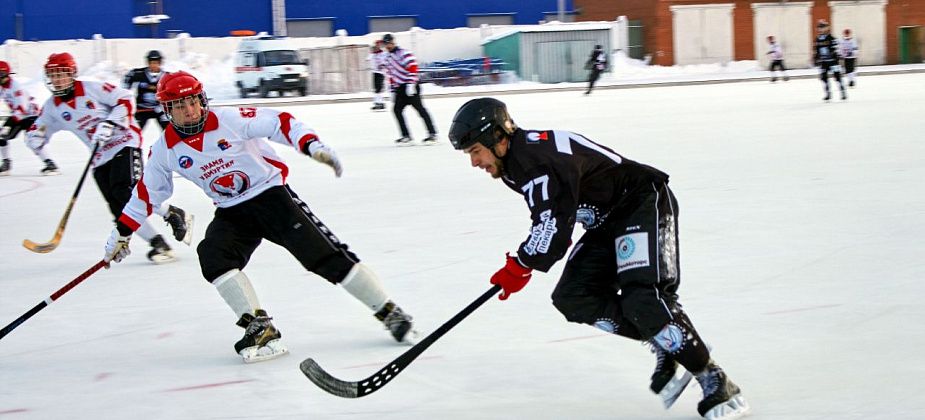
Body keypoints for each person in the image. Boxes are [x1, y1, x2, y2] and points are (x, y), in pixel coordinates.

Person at [448, 98, 750, 419]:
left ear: (498, 137)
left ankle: (714, 378)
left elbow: (552, 230)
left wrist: (520, 265)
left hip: (640, 202)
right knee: (574, 297)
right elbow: (551, 219)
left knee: (642, 299)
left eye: (475, 151)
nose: (474, 162)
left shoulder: (536, 162)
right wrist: (523, 263)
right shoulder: (515, 164)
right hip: (607, 221)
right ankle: (664, 339)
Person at [103, 70, 418, 363]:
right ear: (166, 111)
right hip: (231, 212)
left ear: (202, 100)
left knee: (324, 258)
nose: (189, 110)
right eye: (178, 105)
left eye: (192, 101)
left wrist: (312, 146)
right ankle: (259, 327)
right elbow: (147, 194)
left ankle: (390, 313)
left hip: (272, 198)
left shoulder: (228, 119)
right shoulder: (164, 149)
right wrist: (122, 233)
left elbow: (280, 122)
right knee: (213, 254)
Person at [25, 52, 185, 262]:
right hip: (99, 155)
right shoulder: (52, 107)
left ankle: (170, 212)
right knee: (118, 208)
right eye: (53, 75)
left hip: (124, 141)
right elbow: (40, 128)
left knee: (125, 190)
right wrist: (34, 137)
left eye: (61, 74)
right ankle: (158, 244)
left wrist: (110, 123)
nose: (57, 80)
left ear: (71, 74)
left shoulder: (92, 89)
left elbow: (125, 99)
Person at [381, 33, 437, 145]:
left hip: (410, 86)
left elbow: (413, 68)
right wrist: (392, 90)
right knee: (397, 110)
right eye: (386, 44)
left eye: (389, 43)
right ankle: (406, 136)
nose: (388, 46)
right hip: (400, 88)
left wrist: (411, 84)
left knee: (420, 109)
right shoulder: (387, 57)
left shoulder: (404, 53)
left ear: (393, 42)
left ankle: (432, 134)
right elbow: (390, 74)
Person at [0, 60, 48, 176]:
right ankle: (6, 164)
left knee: (32, 140)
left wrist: (9, 123)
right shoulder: (2, 86)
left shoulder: (16, 88)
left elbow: (22, 109)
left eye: (1, 75)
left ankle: (49, 163)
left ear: (7, 74)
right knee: (1, 137)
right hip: (19, 116)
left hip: (31, 116)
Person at [122, 50, 168, 133]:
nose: (154, 65)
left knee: (169, 131)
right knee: (133, 132)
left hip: (160, 109)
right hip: (142, 108)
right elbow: (127, 79)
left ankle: (169, 145)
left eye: (156, 63)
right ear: (148, 63)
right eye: (151, 63)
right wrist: (125, 93)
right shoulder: (139, 73)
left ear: (160, 63)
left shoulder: (166, 76)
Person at [813, 20, 846, 101]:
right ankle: (828, 94)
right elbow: (816, 50)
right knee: (824, 78)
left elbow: (836, 48)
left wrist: (836, 55)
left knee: (837, 77)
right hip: (824, 62)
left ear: (827, 28)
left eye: (823, 27)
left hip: (833, 61)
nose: (821, 29)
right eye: (819, 28)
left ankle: (843, 92)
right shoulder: (817, 39)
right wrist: (816, 58)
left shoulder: (832, 38)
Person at [368, 41, 388, 111]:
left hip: (381, 73)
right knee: (376, 89)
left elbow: (386, 61)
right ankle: (378, 102)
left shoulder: (383, 54)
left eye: (378, 46)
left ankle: (380, 103)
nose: (375, 48)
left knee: (378, 88)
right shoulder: (373, 54)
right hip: (375, 72)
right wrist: (373, 52)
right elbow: (368, 59)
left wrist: (383, 64)